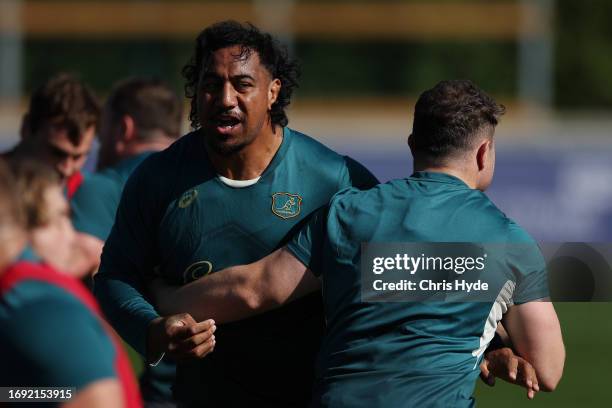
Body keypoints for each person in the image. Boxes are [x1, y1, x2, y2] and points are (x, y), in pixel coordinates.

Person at [150, 80, 566, 407]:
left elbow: (257, 289)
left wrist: (164, 297)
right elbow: (547, 369)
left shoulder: (348, 212)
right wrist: (487, 351)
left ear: (412, 146)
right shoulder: (510, 241)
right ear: (483, 153)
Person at [95, 20, 378, 407]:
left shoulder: (336, 179)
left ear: (273, 91)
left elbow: (401, 265)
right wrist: (155, 329)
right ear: (195, 93)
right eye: (211, 84)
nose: (225, 98)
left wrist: (488, 339)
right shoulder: (157, 179)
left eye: (242, 84)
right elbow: (115, 277)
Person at [0, 160, 155, 408]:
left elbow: (95, 398)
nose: (74, 238)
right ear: (20, 230)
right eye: (57, 219)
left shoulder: (40, 310)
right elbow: (55, 392)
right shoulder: (25, 299)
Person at [70, 77, 184, 407]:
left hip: (138, 388)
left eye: (101, 133)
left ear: (124, 128)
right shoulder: (205, 181)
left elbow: (71, 277)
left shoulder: (103, 187)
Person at [3, 73, 101, 276]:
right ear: (27, 128)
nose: (67, 168)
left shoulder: (91, 192)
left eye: (79, 157)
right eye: (57, 153)